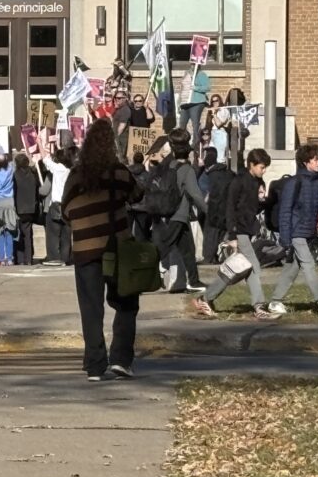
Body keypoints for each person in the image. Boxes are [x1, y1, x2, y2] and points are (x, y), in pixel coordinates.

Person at [61, 119, 142, 382]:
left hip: (85, 248)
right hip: (117, 246)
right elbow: (138, 194)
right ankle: (121, 358)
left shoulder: (76, 175)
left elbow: (65, 211)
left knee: (91, 307)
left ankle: (95, 364)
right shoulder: (119, 172)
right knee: (126, 302)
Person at [194, 149, 278, 320]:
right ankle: (259, 306)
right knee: (253, 267)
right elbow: (230, 208)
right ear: (251, 165)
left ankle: (206, 298)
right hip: (239, 231)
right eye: (262, 167)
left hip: (248, 229)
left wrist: (263, 200)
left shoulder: (257, 181)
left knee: (240, 269)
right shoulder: (238, 182)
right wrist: (232, 236)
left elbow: (252, 208)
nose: (264, 170)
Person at [268, 144, 318, 316]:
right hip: (296, 232)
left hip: (308, 232)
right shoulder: (294, 182)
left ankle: (275, 302)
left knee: (292, 268)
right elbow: (285, 211)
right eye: (315, 159)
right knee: (309, 264)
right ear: (306, 162)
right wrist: (285, 237)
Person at [154, 135, 209, 292]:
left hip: (171, 214)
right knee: (163, 247)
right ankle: (140, 272)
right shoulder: (187, 170)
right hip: (179, 214)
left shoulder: (169, 165)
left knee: (188, 250)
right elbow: (196, 194)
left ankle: (193, 281)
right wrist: (208, 211)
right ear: (188, 154)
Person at [42, 146, 77, 266]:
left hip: (56, 204)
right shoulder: (71, 171)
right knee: (66, 234)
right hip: (68, 204)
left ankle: (54, 257)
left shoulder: (58, 169)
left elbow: (45, 160)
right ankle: (65, 257)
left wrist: (40, 144)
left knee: (53, 233)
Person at [199, 148, 233, 264]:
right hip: (226, 208)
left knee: (210, 234)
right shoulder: (228, 173)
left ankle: (209, 258)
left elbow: (209, 194)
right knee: (220, 234)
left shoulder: (211, 176)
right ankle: (217, 256)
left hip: (214, 208)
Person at [13, 153, 39, 266]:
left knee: (18, 235)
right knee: (28, 234)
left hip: (19, 208)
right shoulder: (33, 174)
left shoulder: (15, 175)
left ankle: (20, 258)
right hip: (30, 208)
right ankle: (29, 258)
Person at [178, 66, 210, 137]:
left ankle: (196, 144)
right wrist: (179, 103)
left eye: (194, 64)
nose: (193, 65)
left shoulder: (201, 74)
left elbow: (207, 87)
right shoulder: (186, 74)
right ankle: (182, 142)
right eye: (191, 63)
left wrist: (195, 88)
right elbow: (182, 89)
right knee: (182, 124)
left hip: (196, 102)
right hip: (185, 103)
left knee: (195, 124)